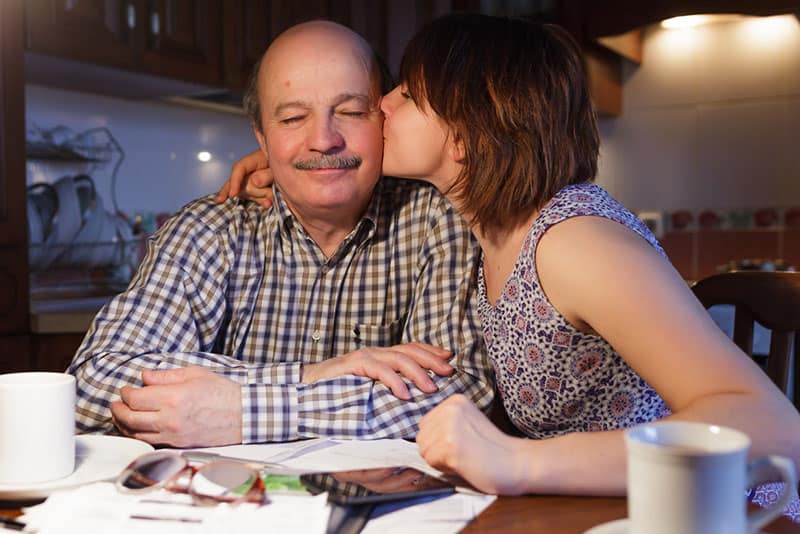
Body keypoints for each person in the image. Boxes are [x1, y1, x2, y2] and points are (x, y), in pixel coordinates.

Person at [218, 13, 800, 516]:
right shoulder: (490, 230)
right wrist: (288, 159)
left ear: (467, 134)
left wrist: (519, 461)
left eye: (409, 97)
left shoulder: (574, 242)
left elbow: (775, 428)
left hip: (735, 515)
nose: (381, 105)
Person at [68, 20, 493, 448]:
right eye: (292, 118)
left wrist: (241, 411)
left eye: (350, 112)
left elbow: (461, 395)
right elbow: (91, 384)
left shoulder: (440, 221)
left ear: (382, 120)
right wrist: (313, 375)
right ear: (262, 137)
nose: (324, 140)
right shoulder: (210, 230)